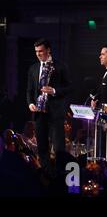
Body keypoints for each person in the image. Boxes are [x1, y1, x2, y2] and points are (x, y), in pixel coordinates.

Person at [26, 38, 72, 171]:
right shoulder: (33, 68)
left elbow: (69, 87)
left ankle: (60, 176)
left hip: (55, 113)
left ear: (48, 50)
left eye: (41, 51)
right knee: (42, 147)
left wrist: (54, 90)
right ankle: (46, 176)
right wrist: (30, 104)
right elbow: (29, 90)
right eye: (36, 51)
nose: (38, 54)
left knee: (58, 148)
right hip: (39, 113)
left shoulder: (60, 66)